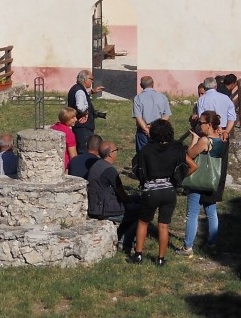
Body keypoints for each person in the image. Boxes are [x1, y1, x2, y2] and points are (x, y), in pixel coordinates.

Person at [129, 118, 195, 266]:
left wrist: (144, 181)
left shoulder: (146, 150)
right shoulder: (177, 149)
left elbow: (135, 168)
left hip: (151, 190)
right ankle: (160, 259)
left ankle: (138, 254)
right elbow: (193, 166)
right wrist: (178, 179)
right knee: (164, 225)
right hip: (169, 191)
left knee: (143, 222)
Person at [179, 111, 227, 257]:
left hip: (199, 180)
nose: (199, 125)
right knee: (211, 212)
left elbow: (189, 155)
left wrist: (194, 139)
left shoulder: (205, 141)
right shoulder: (221, 139)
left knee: (192, 214)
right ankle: (212, 243)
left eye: (201, 123)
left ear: (209, 125)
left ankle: (187, 247)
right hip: (212, 180)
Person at [87, 140, 139, 252]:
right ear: (110, 153)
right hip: (105, 209)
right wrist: (130, 202)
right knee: (142, 212)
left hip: (96, 204)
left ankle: (121, 234)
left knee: (136, 200)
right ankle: (125, 242)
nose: (117, 152)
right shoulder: (109, 170)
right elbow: (122, 194)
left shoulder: (96, 165)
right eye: (116, 150)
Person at [132, 75, 171, 152]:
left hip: (143, 132)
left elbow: (138, 117)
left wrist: (147, 129)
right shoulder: (162, 97)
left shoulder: (138, 98)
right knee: (158, 154)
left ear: (141, 85)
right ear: (153, 84)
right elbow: (166, 115)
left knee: (142, 155)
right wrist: (155, 126)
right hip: (159, 130)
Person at [69, 70, 106, 152]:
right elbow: (80, 107)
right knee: (84, 150)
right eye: (91, 79)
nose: (92, 81)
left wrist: (91, 92)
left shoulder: (76, 88)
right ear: (85, 79)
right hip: (83, 127)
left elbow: (82, 97)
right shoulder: (80, 91)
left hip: (79, 126)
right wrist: (86, 113)